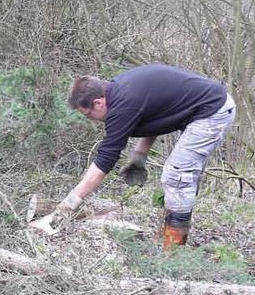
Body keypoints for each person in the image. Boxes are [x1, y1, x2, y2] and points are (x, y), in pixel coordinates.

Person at [40, 64, 235, 249]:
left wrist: (65, 208)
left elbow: (103, 164)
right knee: (179, 174)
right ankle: (172, 234)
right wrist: (139, 157)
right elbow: (153, 115)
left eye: (88, 115)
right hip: (204, 106)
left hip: (212, 111)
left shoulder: (122, 106)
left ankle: (175, 249)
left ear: (98, 103)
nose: (90, 120)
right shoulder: (117, 90)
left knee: (177, 175)